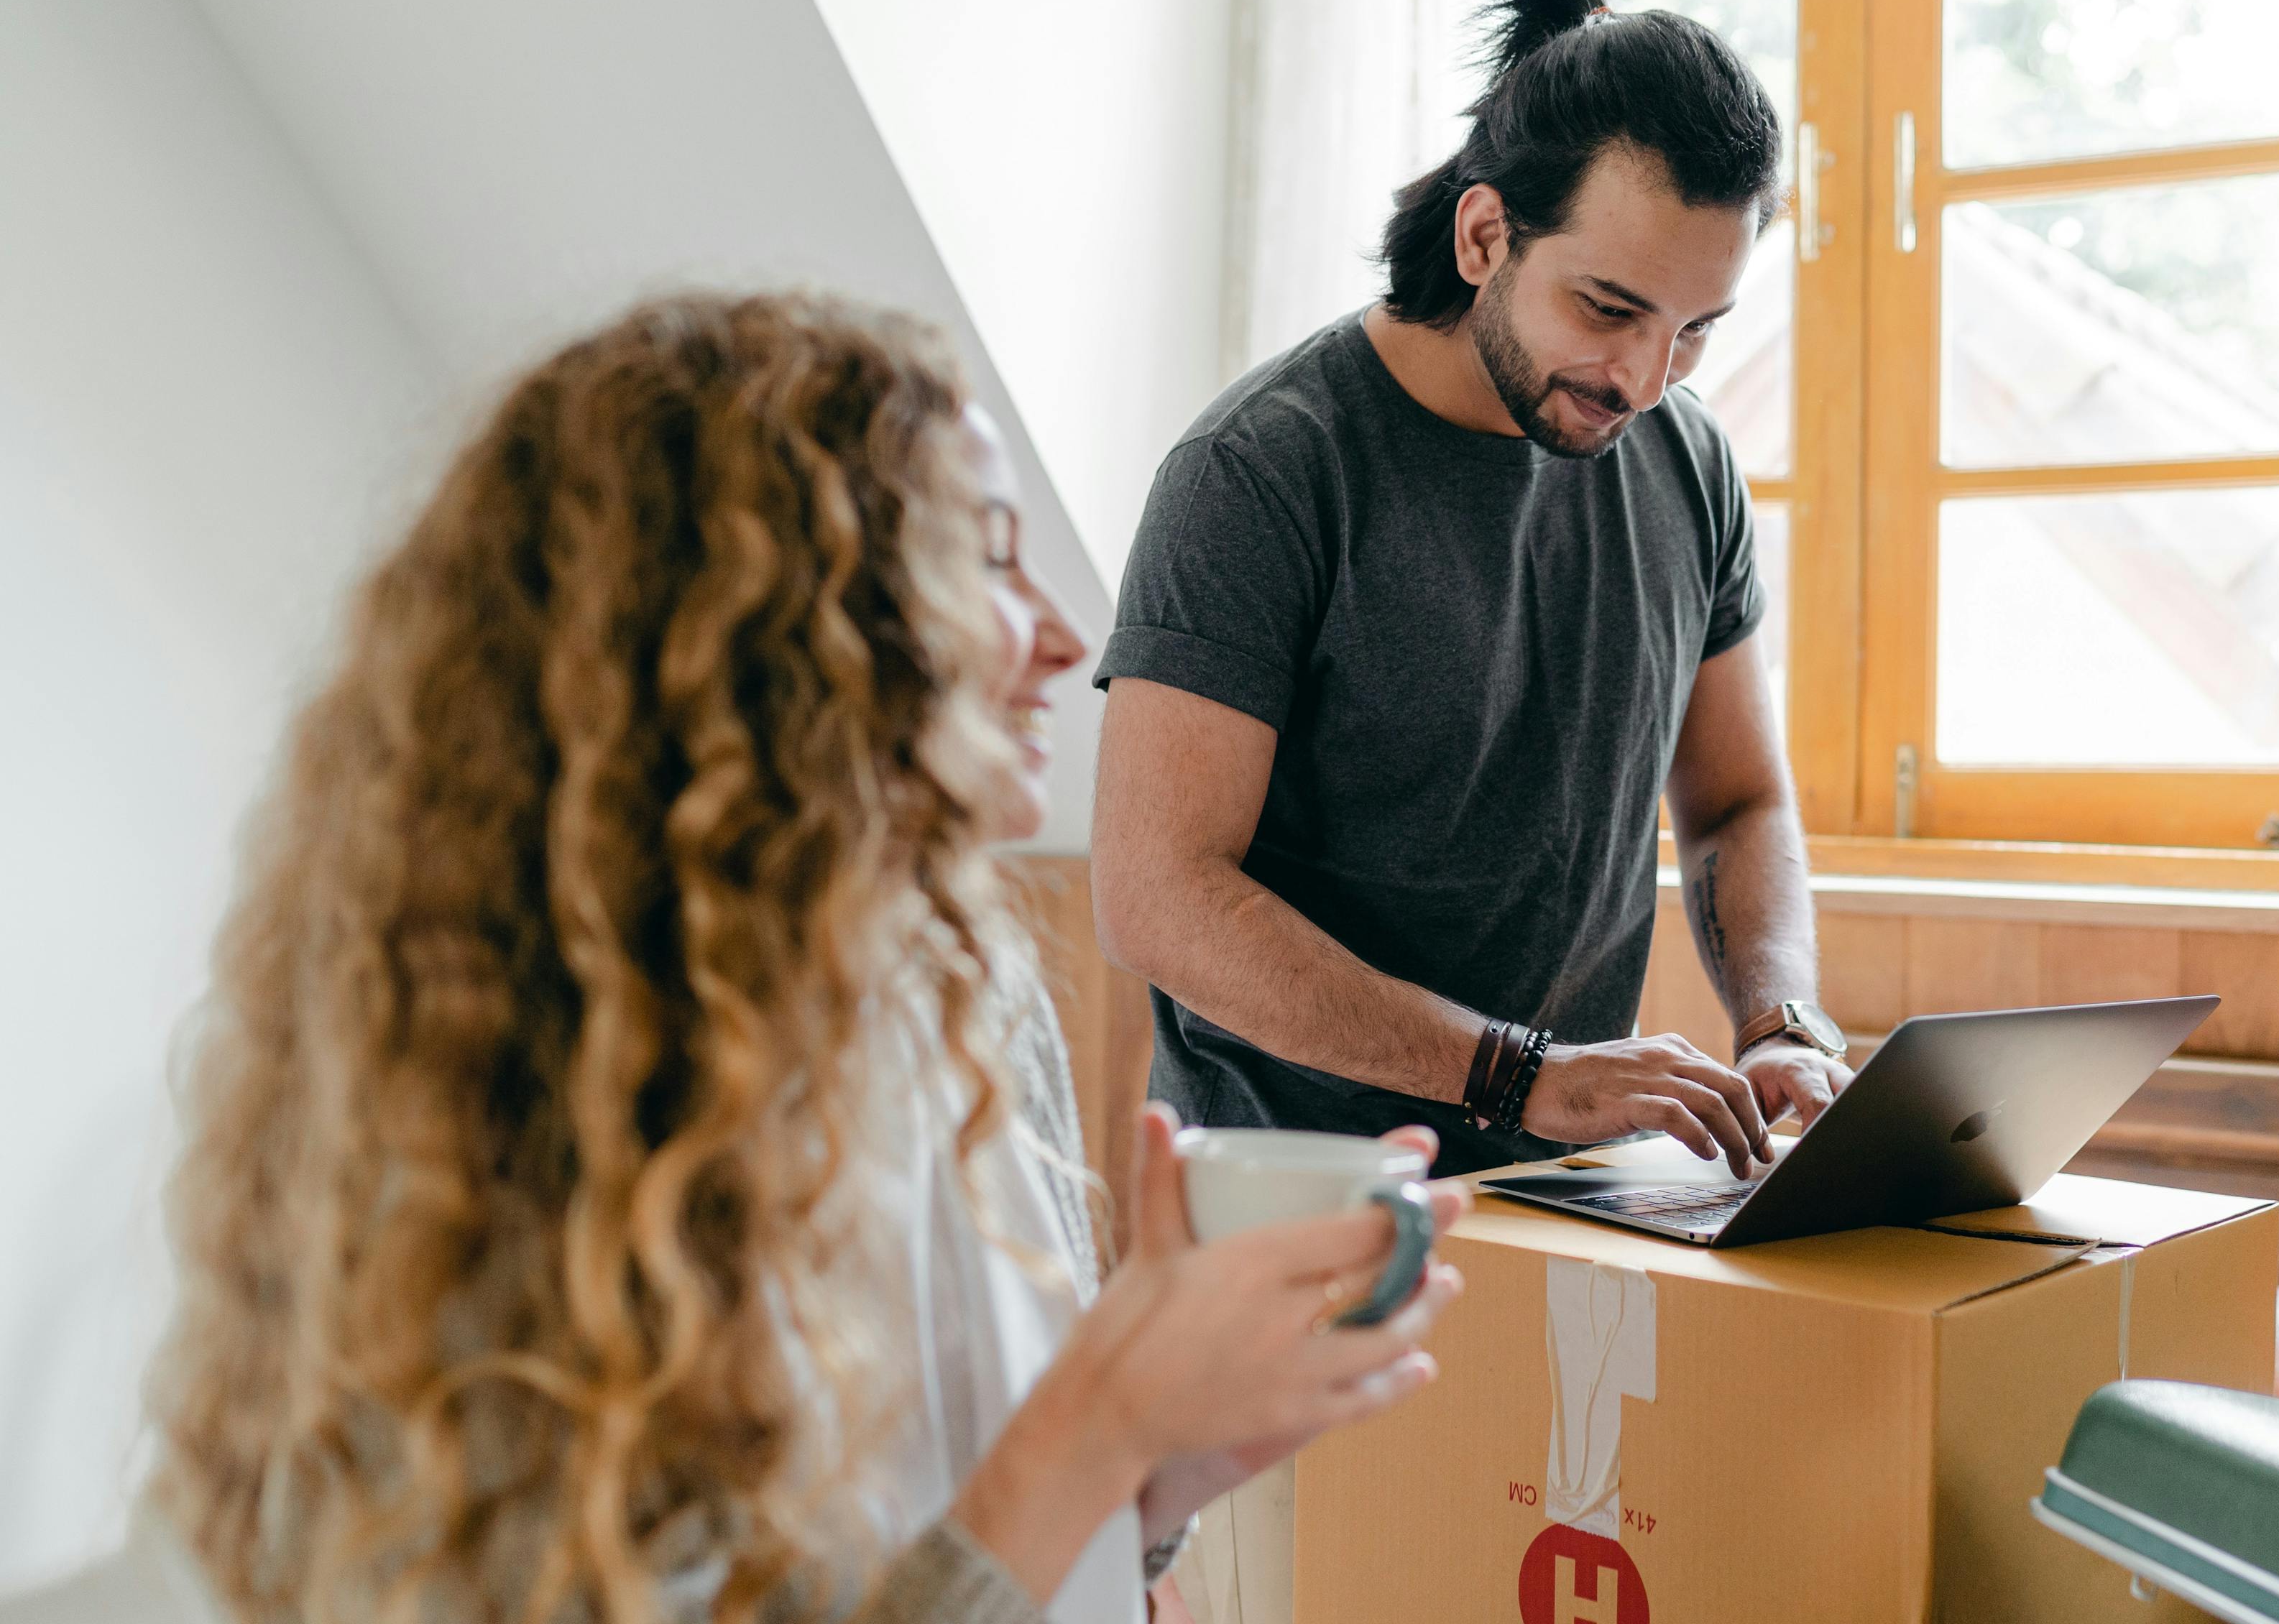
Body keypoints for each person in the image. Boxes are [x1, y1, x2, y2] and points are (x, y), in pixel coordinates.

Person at [4, 295, 1462, 1624]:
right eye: (988, 556)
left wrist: (1161, 1463)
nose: (1064, 638)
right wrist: (1098, 1418)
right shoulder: (527, 1141)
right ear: (781, 633)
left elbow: (957, 1537)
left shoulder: (947, 1003)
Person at [1092, 0, 1855, 1187]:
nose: (1644, 381)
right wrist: (1521, 1073)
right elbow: (1158, 895)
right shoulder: (1262, 471)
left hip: (1563, 1184)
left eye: (1697, 332)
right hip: (1291, 1208)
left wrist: (1783, 1019)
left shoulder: (1688, 459)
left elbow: (1736, 803)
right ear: (1486, 234)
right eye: (1608, 310)